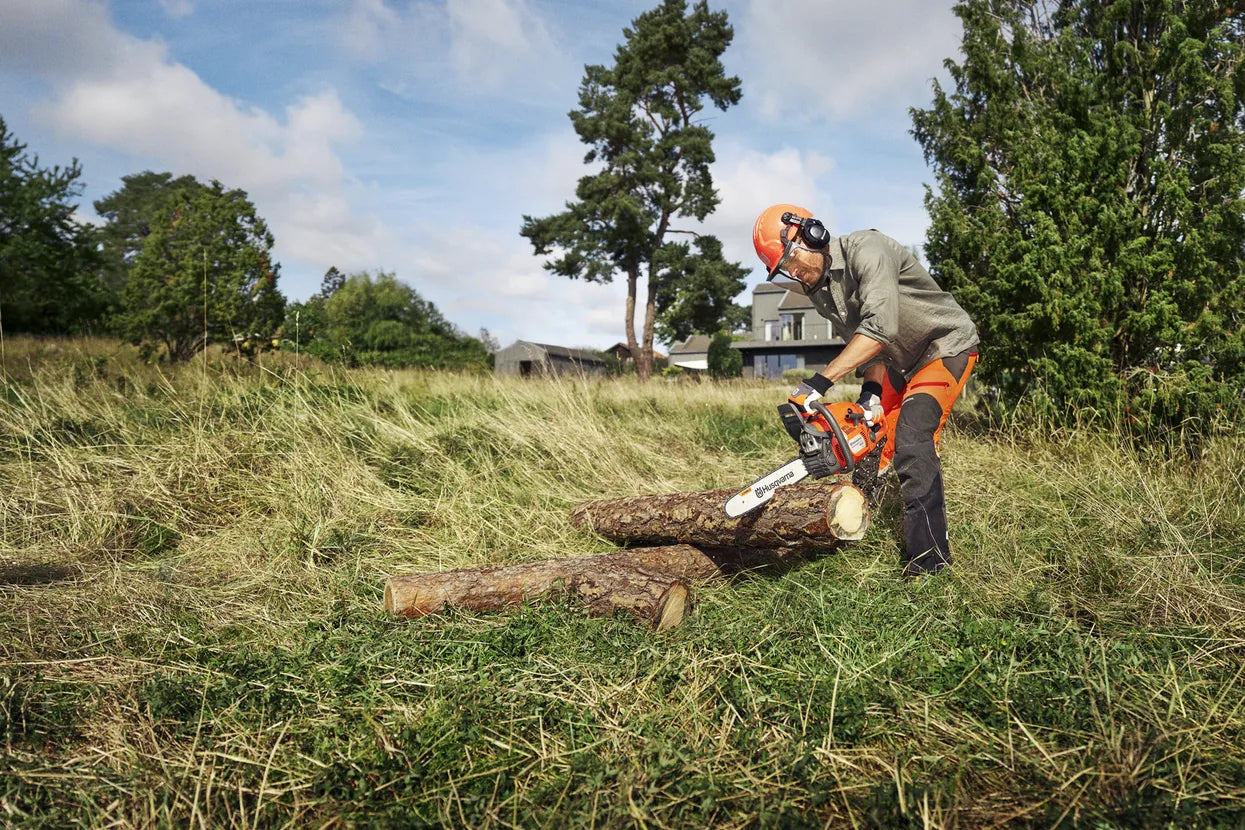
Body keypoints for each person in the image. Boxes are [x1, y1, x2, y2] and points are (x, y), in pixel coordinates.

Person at [752, 203, 979, 576]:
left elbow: (880, 328)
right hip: (896, 360)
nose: (794, 273)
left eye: (792, 260)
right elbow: (863, 338)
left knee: (911, 436)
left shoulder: (867, 251)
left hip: (944, 347)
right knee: (870, 436)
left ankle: (929, 560)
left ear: (812, 235)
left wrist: (818, 384)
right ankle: (856, 522)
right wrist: (870, 392)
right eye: (785, 270)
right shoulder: (818, 289)